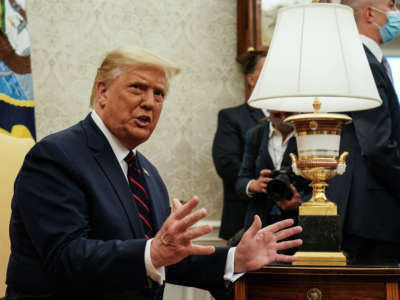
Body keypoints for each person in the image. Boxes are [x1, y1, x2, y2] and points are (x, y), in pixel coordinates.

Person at [4, 46, 302, 300]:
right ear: (102, 91)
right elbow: (66, 257)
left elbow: (167, 255)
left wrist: (236, 258)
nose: (149, 102)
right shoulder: (56, 156)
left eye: (159, 94)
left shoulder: (146, 172)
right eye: (137, 88)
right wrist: (154, 253)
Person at [326, 0, 400, 264]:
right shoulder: (363, 61)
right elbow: (376, 145)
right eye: (391, 6)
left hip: (361, 209)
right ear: (370, 13)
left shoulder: (355, 58)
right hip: (371, 212)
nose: (396, 13)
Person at [236, 110, 310, 254]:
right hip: (259, 221)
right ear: (268, 111)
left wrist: (301, 202)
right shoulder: (255, 135)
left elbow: (323, 184)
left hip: (296, 227)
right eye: (277, 115)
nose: (283, 118)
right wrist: (254, 185)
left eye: (288, 114)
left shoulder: (308, 134)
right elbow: (241, 181)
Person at [212, 52, 268, 241]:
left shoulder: (295, 120)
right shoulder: (232, 117)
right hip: (243, 221)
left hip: (289, 222)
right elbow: (226, 164)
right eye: (267, 70)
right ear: (251, 79)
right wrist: (259, 184)